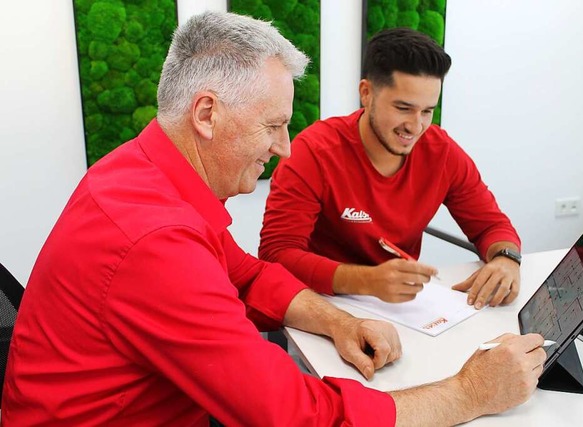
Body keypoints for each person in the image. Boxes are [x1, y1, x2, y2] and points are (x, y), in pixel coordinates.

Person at [1, 12, 545, 426]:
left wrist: (340, 322)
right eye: (273, 125)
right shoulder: (156, 239)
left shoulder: (142, 171)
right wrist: (470, 393)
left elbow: (246, 274)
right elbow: (290, 415)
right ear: (208, 114)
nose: (283, 147)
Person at [259, 27, 522, 309]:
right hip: (320, 303)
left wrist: (506, 258)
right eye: (403, 108)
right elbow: (276, 254)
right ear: (366, 93)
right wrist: (367, 281)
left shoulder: (441, 152)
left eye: (427, 111)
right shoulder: (313, 152)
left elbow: (491, 225)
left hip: (402, 310)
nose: (416, 125)